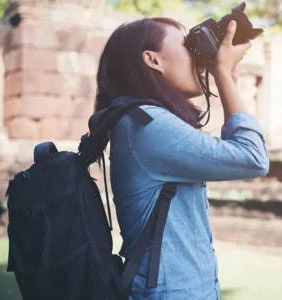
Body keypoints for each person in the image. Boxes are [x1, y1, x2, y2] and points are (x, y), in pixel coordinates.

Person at [95, 17, 269, 300]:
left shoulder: (142, 120)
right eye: (188, 46)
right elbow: (252, 158)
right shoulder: (146, 125)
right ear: (152, 60)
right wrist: (222, 76)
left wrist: (228, 81)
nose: (197, 55)